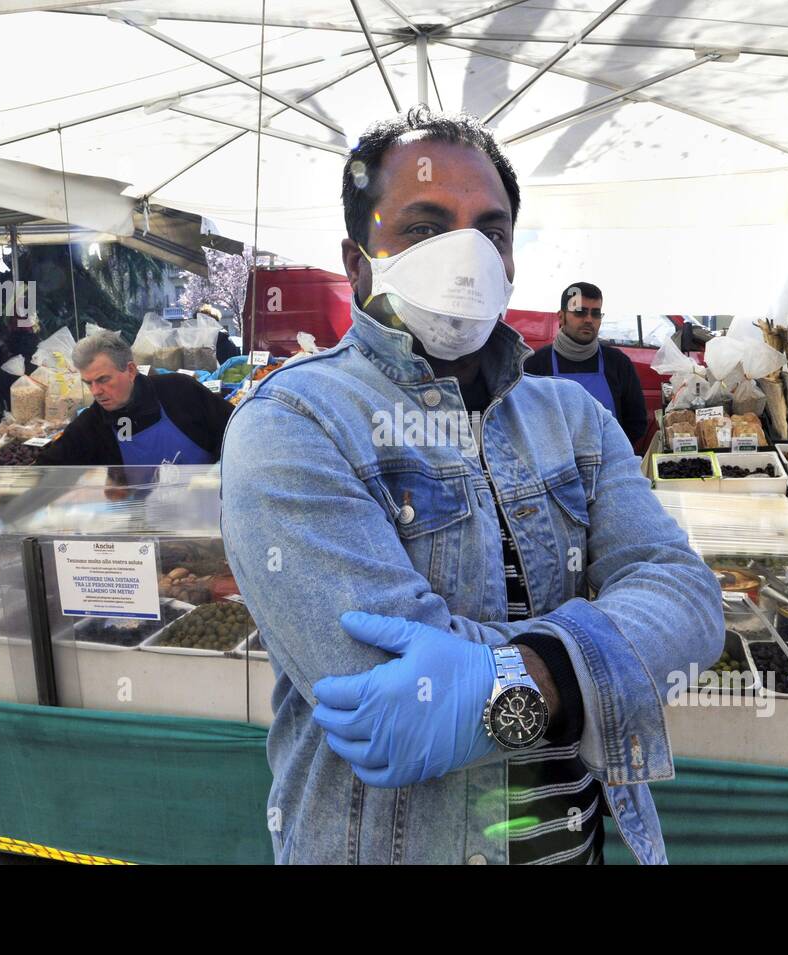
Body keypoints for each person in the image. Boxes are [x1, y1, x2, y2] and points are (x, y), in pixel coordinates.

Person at [220, 108, 723, 865]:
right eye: (424, 228)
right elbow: (383, 690)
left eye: (490, 231)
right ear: (358, 262)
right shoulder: (293, 421)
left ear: (514, 259)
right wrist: (600, 653)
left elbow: (687, 597)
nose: (466, 255)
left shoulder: (575, 417)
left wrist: (533, 674)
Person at [35, 330, 232, 467]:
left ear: (130, 370)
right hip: (145, 523)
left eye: (103, 379)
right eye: (88, 383)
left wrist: (217, 472)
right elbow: (47, 467)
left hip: (208, 512)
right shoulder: (92, 425)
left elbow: (235, 429)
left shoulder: (180, 390)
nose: (95, 391)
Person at [524, 283, 650, 446]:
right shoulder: (535, 365)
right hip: (555, 467)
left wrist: (613, 453)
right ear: (561, 317)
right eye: (580, 312)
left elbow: (637, 422)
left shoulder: (618, 363)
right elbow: (524, 425)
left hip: (608, 465)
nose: (589, 319)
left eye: (596, 313)